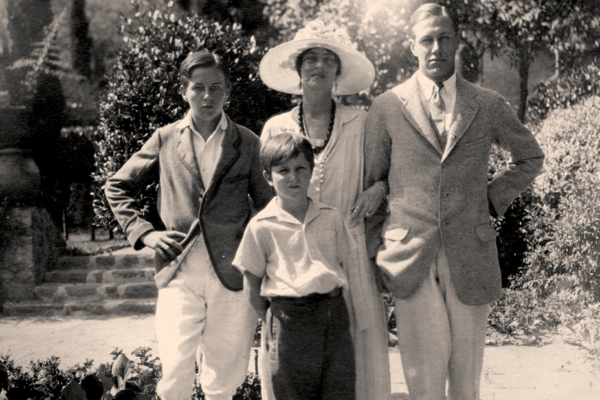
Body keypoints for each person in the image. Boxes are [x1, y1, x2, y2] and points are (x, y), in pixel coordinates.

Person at [364, 4, 545, 400]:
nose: (436, 48)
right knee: (423, 383)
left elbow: (530, 157)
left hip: (470, 253)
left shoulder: (487, 103)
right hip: (410, 255)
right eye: (427, 40)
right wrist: (372, 250)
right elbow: (372, 182)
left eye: (444, 38)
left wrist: (491, 199)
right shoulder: (387, 107)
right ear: (412, 46)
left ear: (458, 41)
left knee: (466, 384)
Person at [105, 51, 272, 400]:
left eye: (216, 88)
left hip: (233, 273)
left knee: (224, 376)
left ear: (227, 91)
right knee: (175, 370)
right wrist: (145, 233)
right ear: (184, 91)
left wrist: (257, 254)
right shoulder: (165, 138)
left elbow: (268, 206)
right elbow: (117, 186)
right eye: (198, 88)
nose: (207, 96)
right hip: (178, 269)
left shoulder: (246, 142)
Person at [258, 19, 391, 400]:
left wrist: (380, 188)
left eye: (328, 59)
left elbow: (393, 171)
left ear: (338, 72)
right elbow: (268, 201)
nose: (318, 65)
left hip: (352, 257)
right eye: (310, 58)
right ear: (297, 69)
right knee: (292, 368)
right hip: (293, 261)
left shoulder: (361, 122)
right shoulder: (276, 128)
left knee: (358, 367)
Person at [233, 133, 357, 400]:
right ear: (268, 177)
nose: (293, 177)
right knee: (292, 391)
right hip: (289, 319)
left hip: (332, 313)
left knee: (339, 388)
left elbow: (339, 262)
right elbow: (251, 284)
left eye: (301, 168)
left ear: (311, 171)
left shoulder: (331, 217)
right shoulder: (261, 226)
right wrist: (274, 319)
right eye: (283, 171)